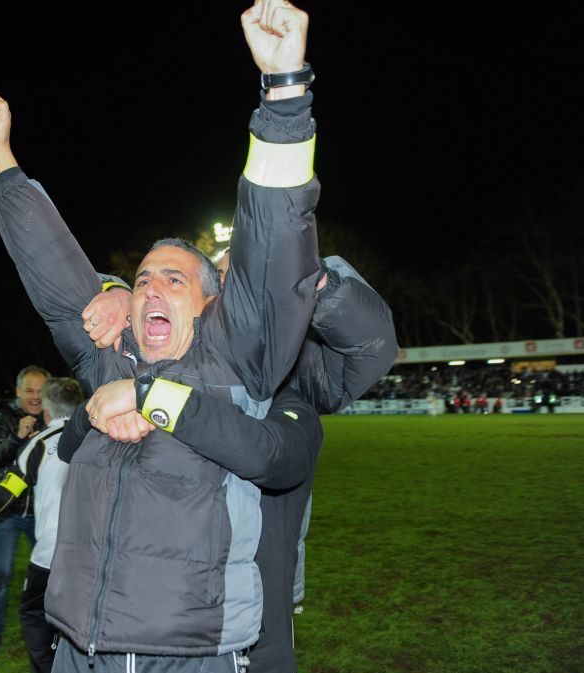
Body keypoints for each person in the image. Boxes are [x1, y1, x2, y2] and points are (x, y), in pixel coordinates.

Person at [0, 2, 321, 668]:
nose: (153, 286)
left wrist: (283, 93)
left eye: (175, 279)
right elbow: (52, 266)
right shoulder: (105, 358)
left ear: (214, 306)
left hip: (186, 655)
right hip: (78, 650)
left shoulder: (237, 364)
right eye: (143, 278)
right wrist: (0, 164)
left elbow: (275, 240)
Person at [80, 253, 398, 673]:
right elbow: (80, 300)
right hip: (140, 628)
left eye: (256, 278)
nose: (241, 297)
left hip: (255, 622)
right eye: (229, 280)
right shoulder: (152, 370)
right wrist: (115, 291)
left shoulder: (293, 383)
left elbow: (371, 345)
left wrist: (307, 276)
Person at [0, 377, 84, 673]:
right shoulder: (102, 436)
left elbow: (5, 491)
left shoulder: (39, 443)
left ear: (47, 410)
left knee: (34, 615)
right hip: (96, 557)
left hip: (51, 555)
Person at [0, 364, 49, 657]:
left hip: (42, 512)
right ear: (18, 391)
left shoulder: (52, 417)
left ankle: (52, 630)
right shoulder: (5, 417)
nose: (35, 397)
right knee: (0, 573)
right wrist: (18, 437)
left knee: (50, 574)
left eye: (41, 391)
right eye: (29, 390)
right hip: (8, 511)